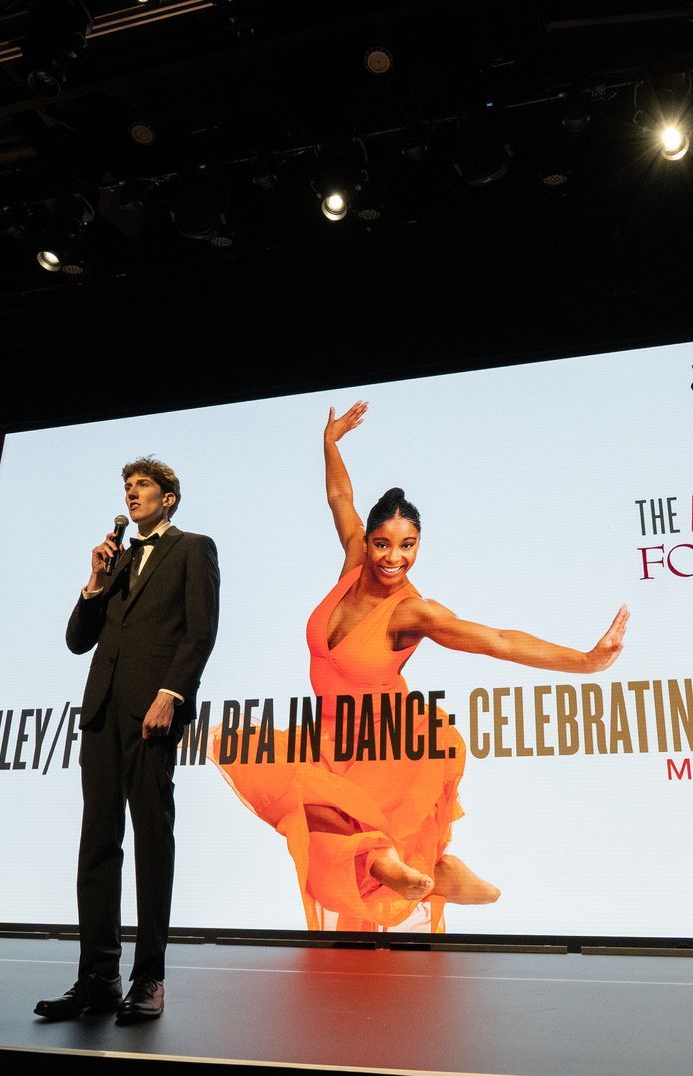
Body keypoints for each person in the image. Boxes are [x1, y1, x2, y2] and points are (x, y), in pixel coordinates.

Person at [215, 401, 627, 932]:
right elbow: (340, 497)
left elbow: (497, 641)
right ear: (367, 541)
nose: (394, 558)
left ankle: (412, 865)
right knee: (295, 796)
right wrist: (330, 444)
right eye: (384, 544)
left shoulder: (412, 611)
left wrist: (588, 662)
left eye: (408, 546)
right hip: (329, 733)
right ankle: (434, 870)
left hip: (386, 737)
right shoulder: (352, 563)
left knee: (337, 814)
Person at [36, 457, 220, 1024]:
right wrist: (94, 582)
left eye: (142, 486)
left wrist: (172, 693)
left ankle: (149, 978)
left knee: (150, 842)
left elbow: (201, 630)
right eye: (127, 486)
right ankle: (97, 976)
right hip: (102, 715)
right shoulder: (113, 561)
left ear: (168, 498)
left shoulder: (193, 548)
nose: (132, 493)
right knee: (97, 845)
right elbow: (76, 640)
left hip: (152, 716)